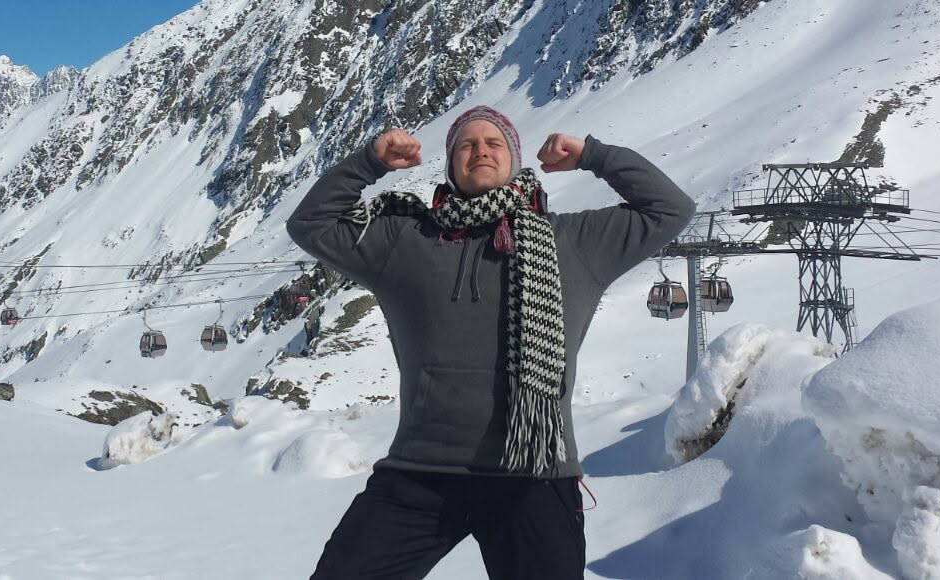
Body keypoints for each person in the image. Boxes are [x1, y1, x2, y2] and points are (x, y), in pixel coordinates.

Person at [287, 106, 696, 580]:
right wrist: (369, 161)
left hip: (533, 476)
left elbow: (670, 209)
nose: (480, 150)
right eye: (466, 144)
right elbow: (310, 224)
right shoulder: (405, 240)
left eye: (493, 143)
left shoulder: (574, 242)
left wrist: (593, 155)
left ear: (514, 160)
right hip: (420, 473)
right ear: (450, 166)